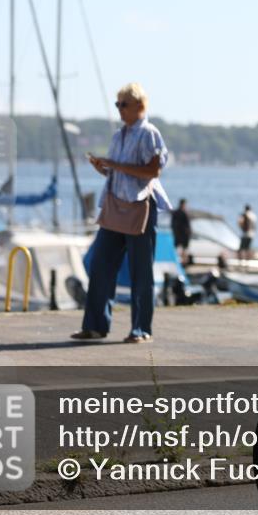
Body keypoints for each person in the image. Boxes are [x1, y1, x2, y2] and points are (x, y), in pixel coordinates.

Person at [72, 82, 171, 343]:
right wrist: (103, 167)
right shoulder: (119, 135)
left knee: (141, 272)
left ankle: (141, 328)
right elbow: (121, 172)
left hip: (140, 207)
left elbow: (152, 171)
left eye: (123, 104)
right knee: (100, 265)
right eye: (117, 104)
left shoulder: (148, 133)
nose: (119, 109)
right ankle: (95, 325)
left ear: (140, 105)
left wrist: (115, 164)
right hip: (115, 207)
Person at [171, 198, 192, 264]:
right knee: (183, 249)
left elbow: (172, 224)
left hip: (178, 234)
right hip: (183, 234)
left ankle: (180, 261)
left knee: (180, 249)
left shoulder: (176, 212)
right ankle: (183, 262)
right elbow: (187, 225)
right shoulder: (184, 213)